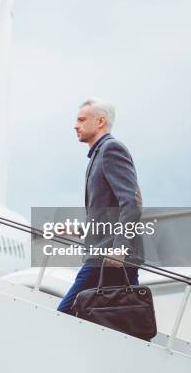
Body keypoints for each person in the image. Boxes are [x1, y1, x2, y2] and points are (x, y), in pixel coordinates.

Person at [57, 99, 144, 314]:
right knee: (116, 321)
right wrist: (78, 230)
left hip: (109, 258)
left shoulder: (111, 149)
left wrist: (120, 247)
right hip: (106, 255)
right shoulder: (98, 154)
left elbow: (131, 203)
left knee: (66, 312)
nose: (75, 125)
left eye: (81, 119)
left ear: (100, 122)